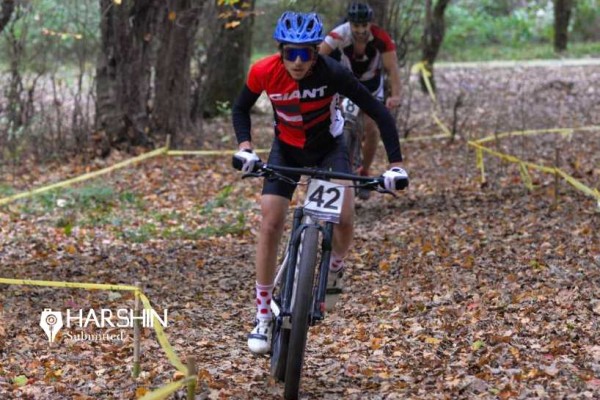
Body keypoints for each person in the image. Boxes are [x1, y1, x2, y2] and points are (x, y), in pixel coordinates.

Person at [231, 11, 408, 355]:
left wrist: (396, 166)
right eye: (290, 53)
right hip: (287, 149)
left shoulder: (334, 72)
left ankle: (336, 268)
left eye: (306, 53)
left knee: (343, 215)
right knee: (270, 221)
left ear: (316, 52)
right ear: (280, 51)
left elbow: (377, 110)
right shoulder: (263, 71)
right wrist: (246, 148)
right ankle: (263, 314)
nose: (298, 61)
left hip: (329, 147)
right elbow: (240, 109)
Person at [319, 2, 402, 200]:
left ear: (369, 24)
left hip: (372, 86)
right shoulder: (338, 35)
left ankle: (364, 172)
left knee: (372, 127)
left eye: (364, 25)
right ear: (350, 24)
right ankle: (333, 166)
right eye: (356, 26)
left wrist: (396, 94)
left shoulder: (381, 37)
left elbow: (392, 68)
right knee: (335, 122)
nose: (361, 30)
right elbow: (318, 59)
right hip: (346, 84)